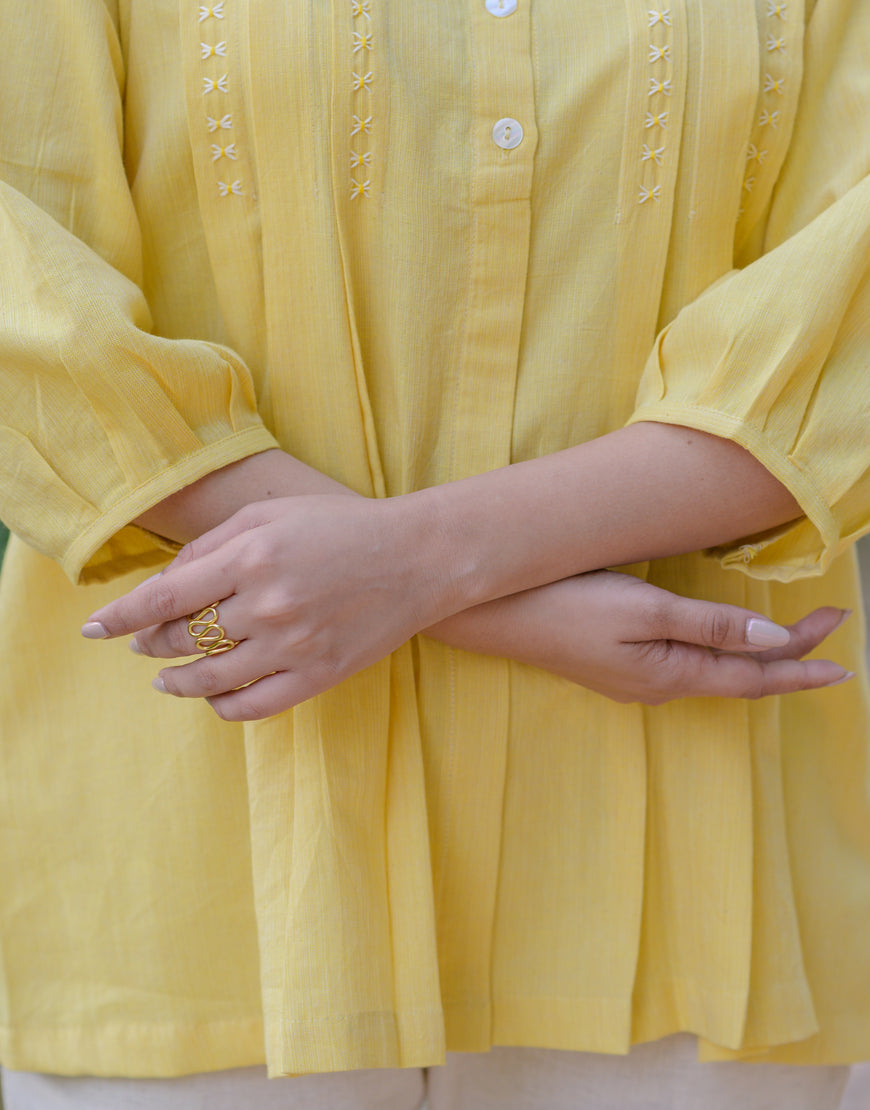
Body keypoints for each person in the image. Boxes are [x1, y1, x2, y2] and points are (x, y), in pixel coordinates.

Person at [0, 0, 869, 1106]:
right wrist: (466, 588)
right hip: (202, 888)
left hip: (685, 885)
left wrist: (416, 566)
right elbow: (20, 292)